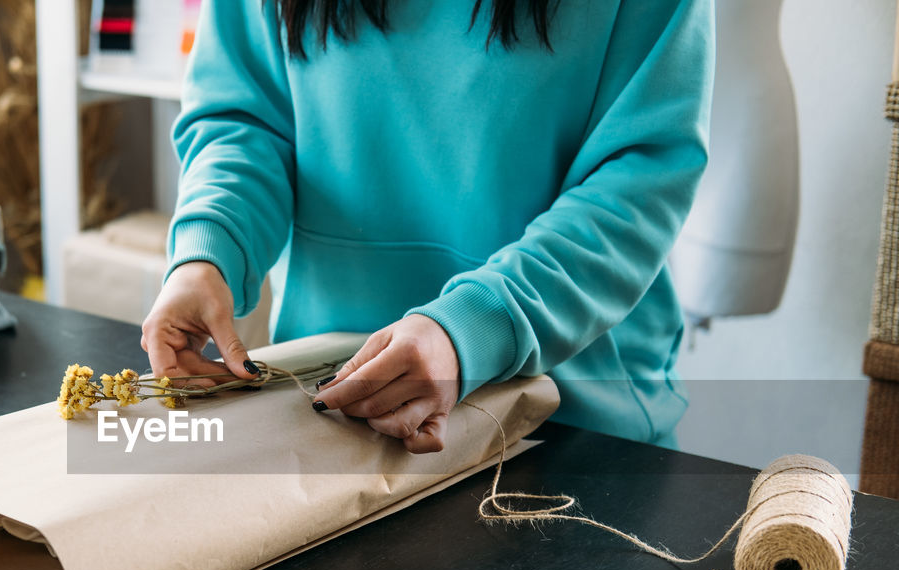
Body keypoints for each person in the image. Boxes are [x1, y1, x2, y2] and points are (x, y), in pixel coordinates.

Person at [141, 0, 714, 453]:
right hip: (336, 413)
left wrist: (474, 328)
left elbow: (639, 179)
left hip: (573, 423)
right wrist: (208, 251)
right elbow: (246, 120)